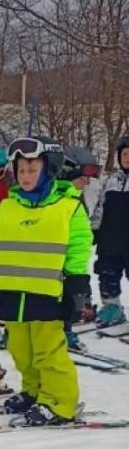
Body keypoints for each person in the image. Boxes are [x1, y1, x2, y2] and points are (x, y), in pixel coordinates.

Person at [0, 136, 92, 425]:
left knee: (49, 353)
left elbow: (79, 250)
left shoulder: (69, 208)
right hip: (11, 294)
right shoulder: (3, 208)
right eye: (21, 170)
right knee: (21, 351)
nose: (25, 177)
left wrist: (77, 288)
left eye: (32, 169)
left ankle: (60, 403)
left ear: (47, 168)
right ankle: (33, 391)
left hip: (48, 295)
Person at [59, 145, 101, 343]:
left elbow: (79, 244)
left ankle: (64, 328)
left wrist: (79, 283)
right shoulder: (56, 202)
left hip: (68, 268)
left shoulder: (76, 200)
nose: (87, 181)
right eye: (84, 175)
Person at [90, 136, 129, 327]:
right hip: (110, 241)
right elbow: (100, 208)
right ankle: (112, 308)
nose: (128, 157)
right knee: (107, 275)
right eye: (125, 154)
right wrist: (94, 229)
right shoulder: (111, 180)